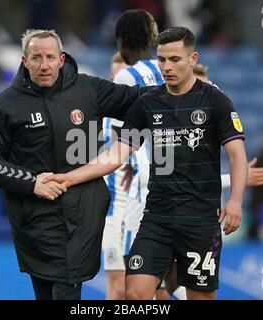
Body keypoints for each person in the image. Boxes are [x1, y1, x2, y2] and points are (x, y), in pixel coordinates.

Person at [46, 27, 248, 300]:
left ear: (192, 58)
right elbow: (115, 155)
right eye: (162, 59)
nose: (167, 66)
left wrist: (235, 201)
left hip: (200, 222)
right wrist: (69, 178)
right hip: (157, 220)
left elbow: (237, 155)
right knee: (135, 295)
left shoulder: (215, 101)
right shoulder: (147, 103)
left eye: (175, 59)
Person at [0, 29, 146, 300]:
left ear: (62, 59)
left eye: (50, 57)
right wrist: (32, 183)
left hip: (82, 215)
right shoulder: (4, 105)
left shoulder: (88, 89)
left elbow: (139, 100)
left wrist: (189, 92)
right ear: (24, 61)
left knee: (66, 287)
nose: (44, 65)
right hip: (34, 220)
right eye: (36, 57)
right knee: (46, 292)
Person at [101, 9, 162, 300]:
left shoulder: (127, 76)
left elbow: (118, 143)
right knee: (166, 284)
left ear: (121, 42)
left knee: (131, 284)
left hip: (139, 189)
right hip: (176, 186)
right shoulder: (168, 71)